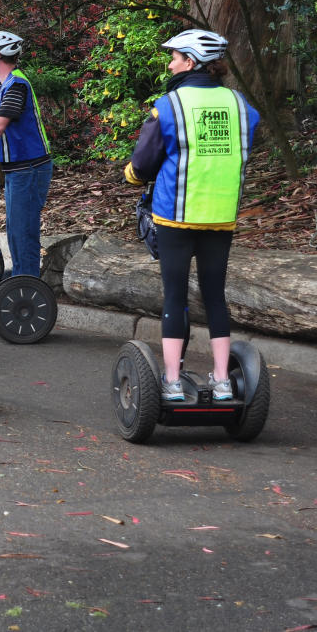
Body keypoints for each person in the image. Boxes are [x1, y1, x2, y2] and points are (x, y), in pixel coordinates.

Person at [124, 29, 259, 401]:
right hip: (221, 216)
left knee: (175, 297)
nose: (170, 63)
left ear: (190, 62)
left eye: (175, 57)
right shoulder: (240, 105)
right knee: (216, 297)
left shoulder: (169, 105)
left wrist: (132, 176)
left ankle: (170, 382)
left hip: (176, 217)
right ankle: (221, 381)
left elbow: (143, 162)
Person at [0, 31, 52, 278]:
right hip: (18, 170)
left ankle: (27, 286)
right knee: (17, 231)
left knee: (23, 231)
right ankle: (22, 280)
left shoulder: (16, 85)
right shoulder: (0, 88)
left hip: (30, 168)